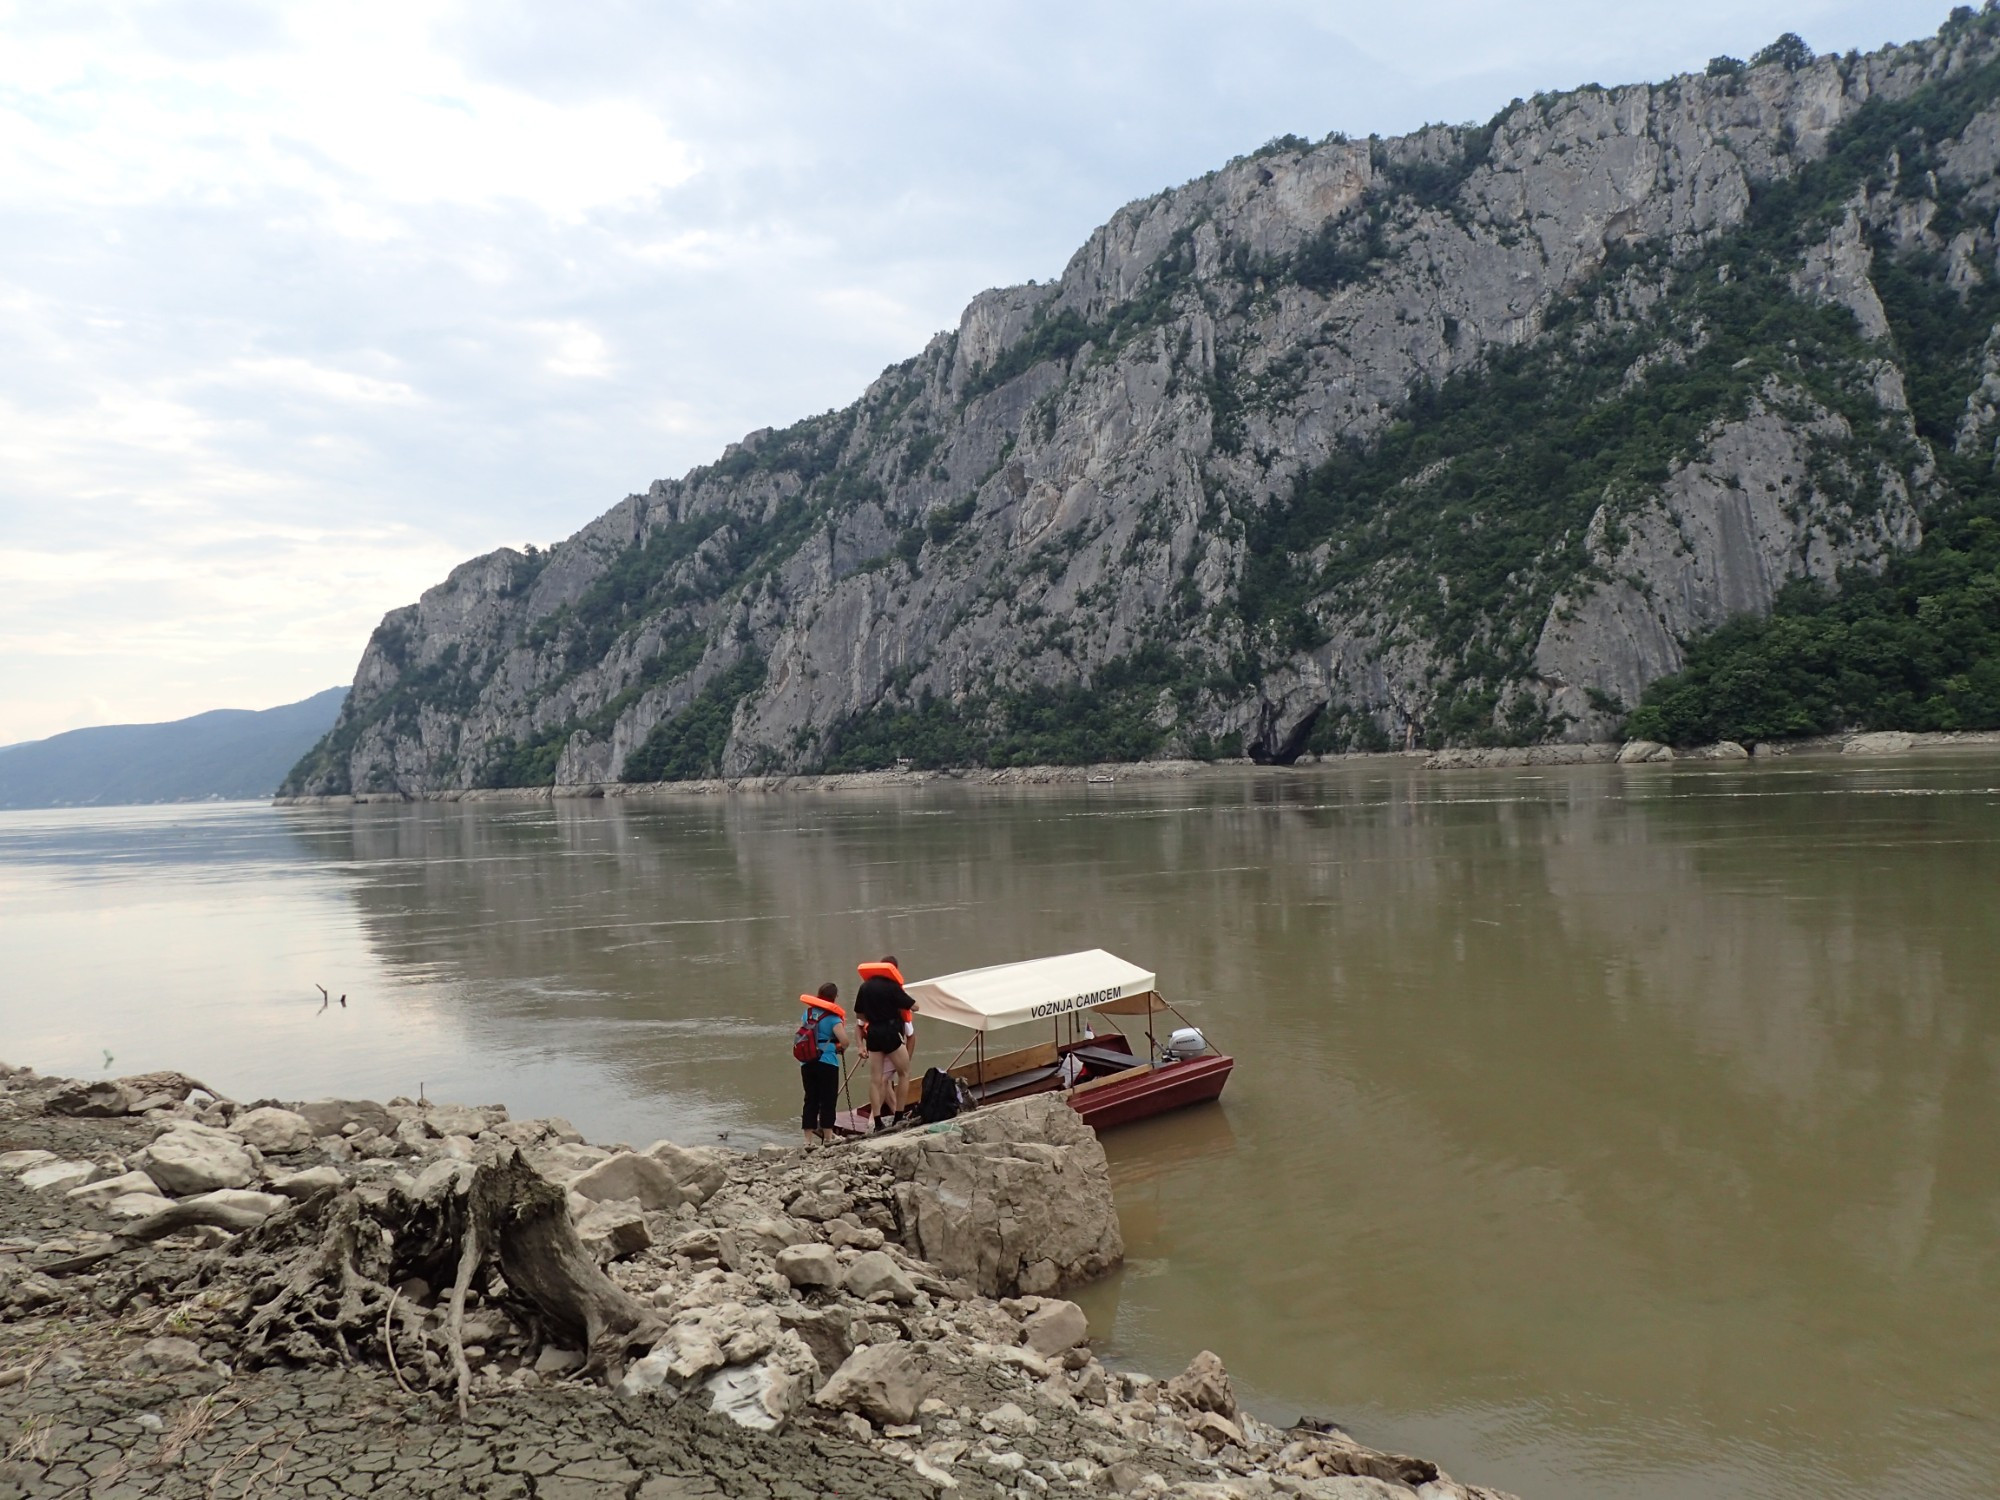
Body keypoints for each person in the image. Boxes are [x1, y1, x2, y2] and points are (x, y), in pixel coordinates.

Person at [854, 956, 913, 1131]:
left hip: (873, 1034)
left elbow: (859, 1015)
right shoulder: (892, 986)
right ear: (894, 969)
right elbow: (913, 1007)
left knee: (876, 1080)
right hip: (890, 1032)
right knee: (905, 1073)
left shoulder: (865, 987)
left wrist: (861, 1043)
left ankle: (877, 1121)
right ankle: (899, 1117)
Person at [798, 982, 847, 1145]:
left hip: (807, 1062)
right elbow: (845, 1041)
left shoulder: (808, 1013)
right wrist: (838, 1047)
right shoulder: (833, 1018)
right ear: (834, 997)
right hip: (827, 1062)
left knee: (810, 1099)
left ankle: (807, 1141)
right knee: (828, 1099)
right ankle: (828, 1137)